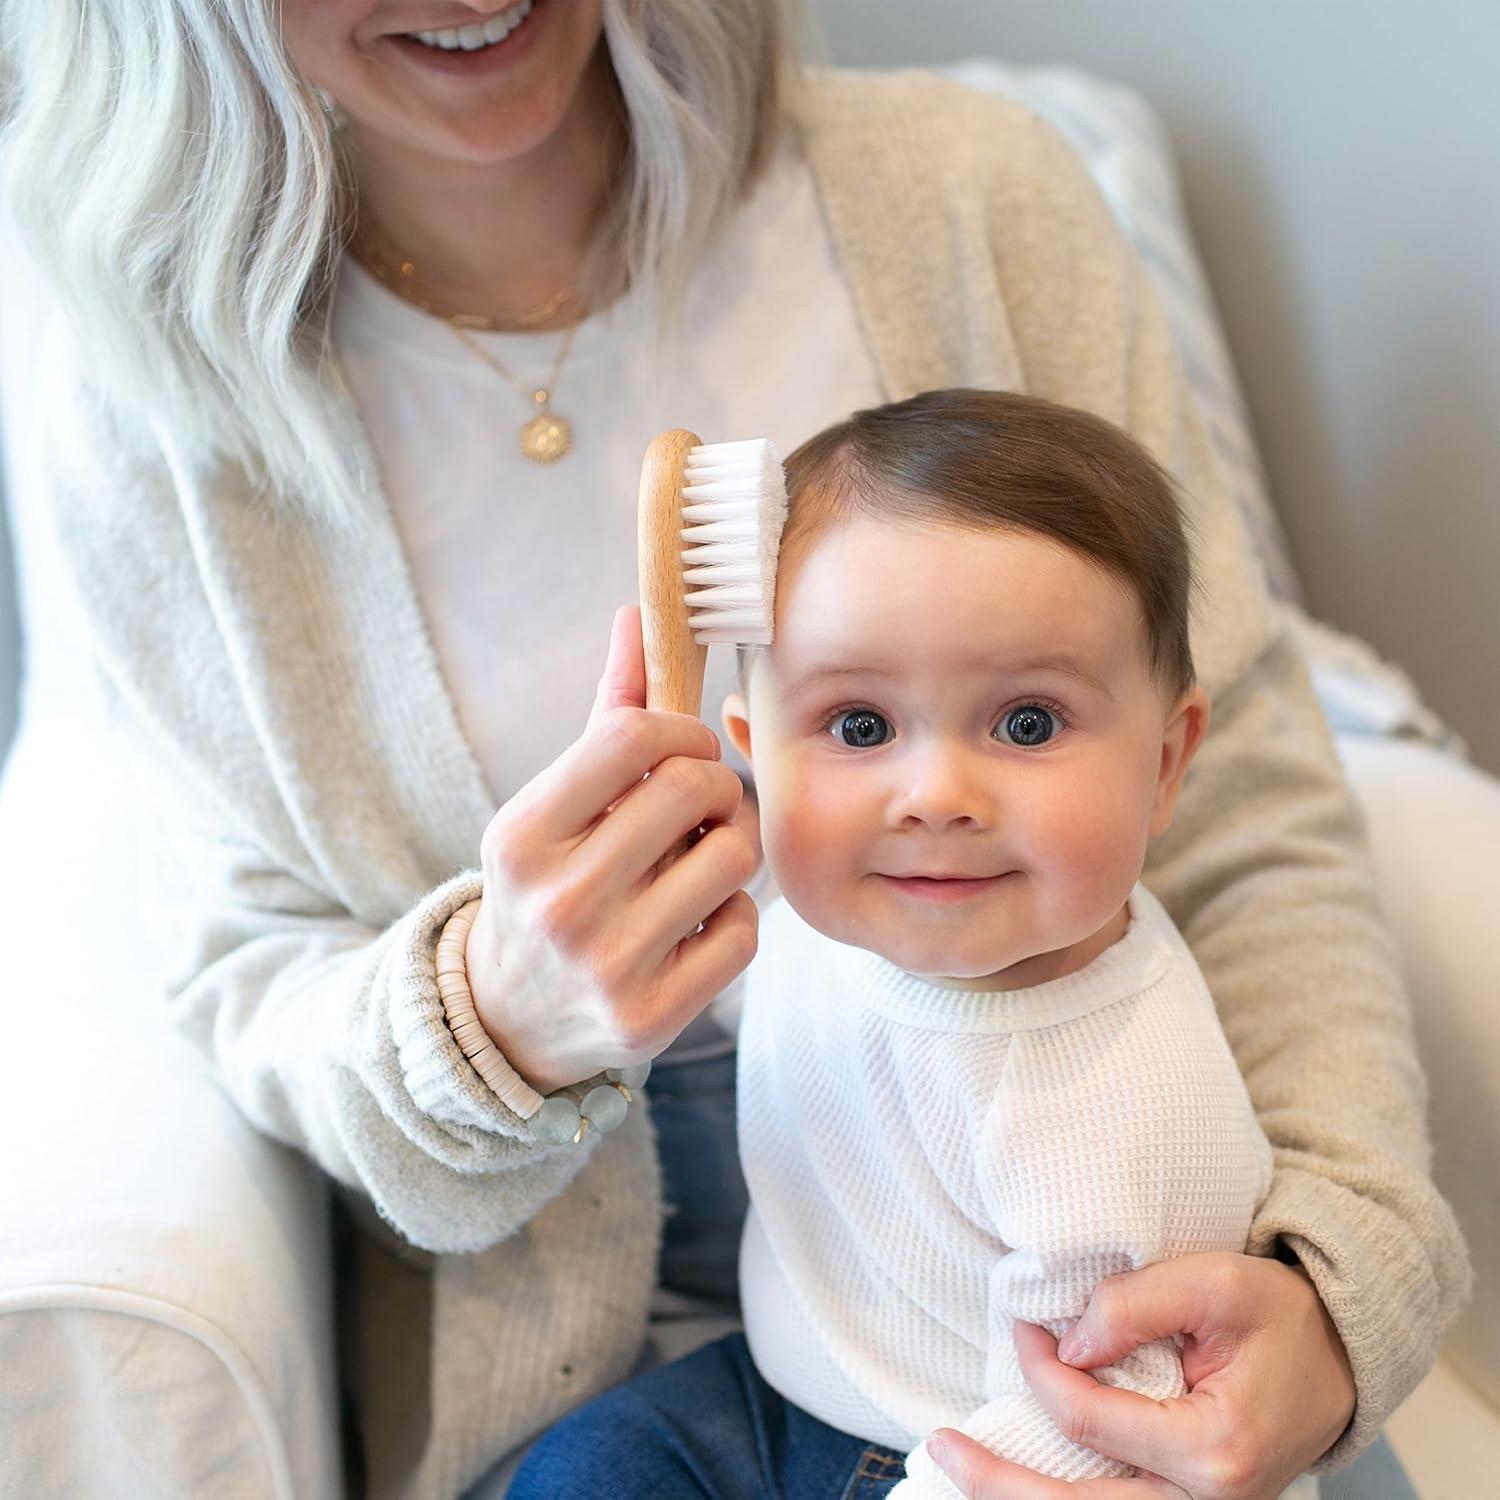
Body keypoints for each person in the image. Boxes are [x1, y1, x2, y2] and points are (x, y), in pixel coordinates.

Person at [0, 2, 1466, 1497]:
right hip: (637, 1312)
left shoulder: (975, 200)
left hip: (1106, 1350)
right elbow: (249, 960)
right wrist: (489, 1026)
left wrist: (1338, 1285)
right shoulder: (147, 421)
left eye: (1017, 722)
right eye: (858, 723)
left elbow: (1249, 810)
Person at [508, 387, 1282, 1497]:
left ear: (1165, 763)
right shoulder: (812, 926)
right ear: (754, 755)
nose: (936, 795)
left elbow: (1119, 1413)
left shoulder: (1128, 1108)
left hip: (993, 1452)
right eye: (860, 727)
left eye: (1028, 723)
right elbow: (687, 1012)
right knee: (581, 1472)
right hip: (781, 1390)